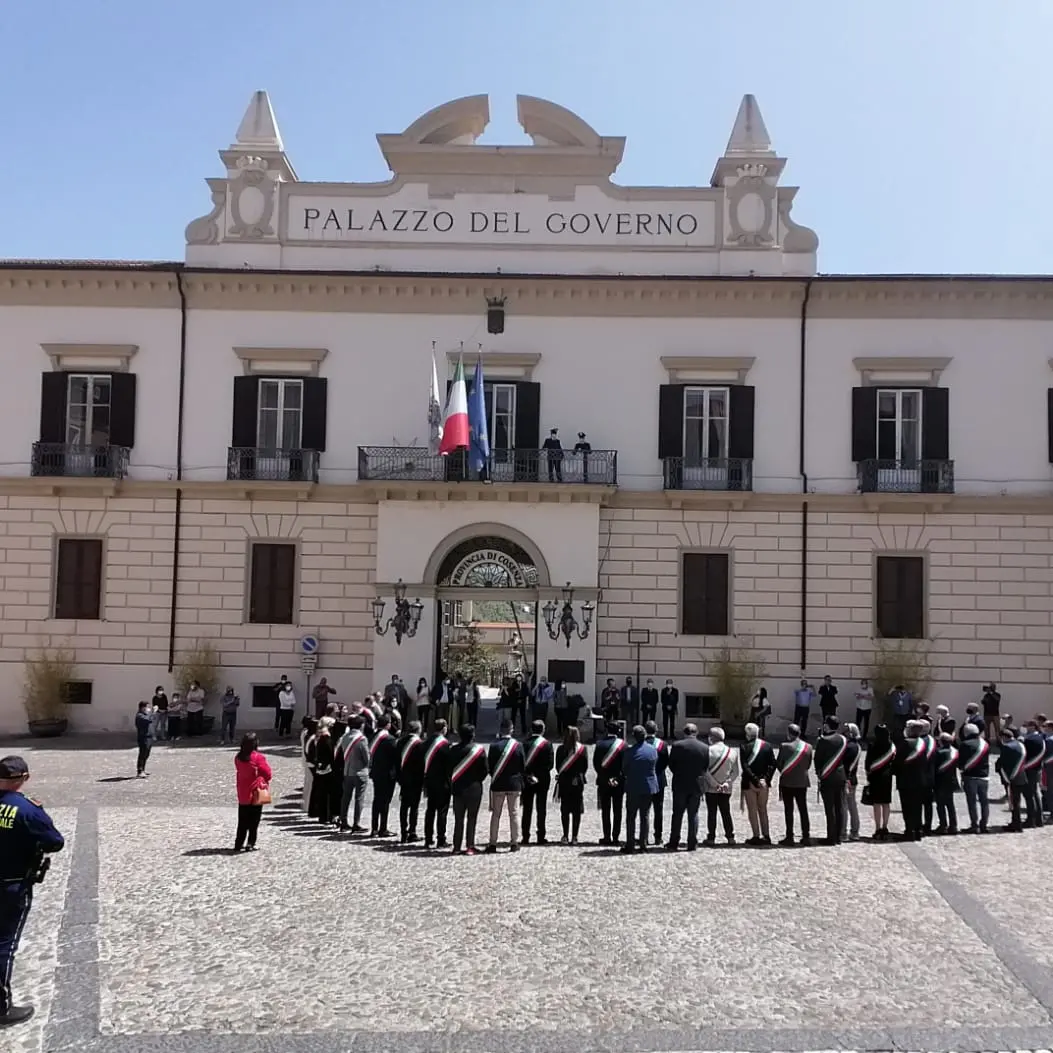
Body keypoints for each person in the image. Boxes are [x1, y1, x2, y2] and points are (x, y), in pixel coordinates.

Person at [0, 755, 65, 1027]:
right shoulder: (27, 809)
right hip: (11, 885)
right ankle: (1, 1008)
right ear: (24, 778)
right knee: (4, 943)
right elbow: (54, 842)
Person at [666, 723, 708, 851]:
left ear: (684, 733)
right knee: (693, 814)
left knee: (677, 814)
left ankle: (674, 842)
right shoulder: (704, 747)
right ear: (696, 733)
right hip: (696, 784)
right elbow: (705, 766)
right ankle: (692, 842)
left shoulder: (677, 745)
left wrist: (679, 773)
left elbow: (671, 764)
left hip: (680, 783)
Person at [448, 724, 487, 855]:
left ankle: (456, 846)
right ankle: (470, 845)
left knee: (458, 819)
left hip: (458, 788)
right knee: (472, 818)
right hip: (474, 787)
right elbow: (484, 771)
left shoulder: (453, 750)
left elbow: (448, 769)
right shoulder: (479, 750)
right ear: (473, 734)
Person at [486, 719, 524, 853]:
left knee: (496, 815)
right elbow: (522, 766)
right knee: (514, 814)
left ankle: (492, 843)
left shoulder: (494, 746)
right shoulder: (518, 745)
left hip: (498, 783)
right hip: (514, 784)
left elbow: (490, 767)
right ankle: (514, 843)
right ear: (511, 729)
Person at [621, 726, 658, 854]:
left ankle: (630, 845)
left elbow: (624, 769)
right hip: (648, 787)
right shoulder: (653, 750)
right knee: (645, 816)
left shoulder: (629, 752)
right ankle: (643, 844)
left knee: (631, 816)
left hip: (633, 786)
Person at [233, 733, 272, 852]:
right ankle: (250, 843)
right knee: (254, 820)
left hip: (243, 792)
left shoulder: (238, 757)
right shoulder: (258, 757)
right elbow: (268, 774)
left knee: (242, 820)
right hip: (256, 791)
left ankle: (238, 843)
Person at [740, 721, 776, 846]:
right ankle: (766, 835)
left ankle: (756, 835)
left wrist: (755, 779)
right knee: (763, 810)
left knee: (752, 810)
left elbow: (745, 766)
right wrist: (765, 779)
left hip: (750, 783)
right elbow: (772, 765)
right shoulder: (767, 746)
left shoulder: (744, 747)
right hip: (763, 784)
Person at [775, 723, 812, 846]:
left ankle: (789, 836)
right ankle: (806, 836)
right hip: (802, 782)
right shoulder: (808, 747)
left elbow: (779, 764)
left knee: (789, 810)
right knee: (803, 810)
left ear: (789, 733)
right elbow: (808, 765)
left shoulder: (784, 746)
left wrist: (786, 772)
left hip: (788, 782)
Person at [814, 717, 848, 846]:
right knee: (839, 806)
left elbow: (817, 760)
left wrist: (819, 773)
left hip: (827, 777)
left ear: (827, 726)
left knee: (830, 808)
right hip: (840, 776)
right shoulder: (843, 740)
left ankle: (831, 837)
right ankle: (839, 836)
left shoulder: (822, 740)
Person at [703, 726, 739, 845]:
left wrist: (714, 784)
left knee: (712, 813)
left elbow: (705, 771)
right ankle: (730, 837)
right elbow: (736, 772)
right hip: (725, 789)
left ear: (711, 738)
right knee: (726, 812)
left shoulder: (707, 751)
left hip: (711, 788)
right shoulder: (732, 752)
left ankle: (711, 837)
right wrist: (726, 783)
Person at [593, 721, 627, 846]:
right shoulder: (623, 745)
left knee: (606, 810)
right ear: (618, 731)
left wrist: (606, 777)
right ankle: (616, 837)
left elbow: (596, 764)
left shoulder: (600, 744)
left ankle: (606, 836)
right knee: (617, 810)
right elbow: (625, 765)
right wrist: (617, 777)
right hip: (618, 781)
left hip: (604, 781)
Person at [521, 720, 554, 845]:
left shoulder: (524, 743)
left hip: (527, 779)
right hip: (542, 780)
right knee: (541, 808)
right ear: (543, 730)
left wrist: (529, 775)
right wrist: (539, 775)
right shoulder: (547, 744)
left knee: (527, 809)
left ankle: (525, 836)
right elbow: (550, 765)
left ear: (531, 729)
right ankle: (541, 836)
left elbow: (522, 763)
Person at [895, 720, 929, 841]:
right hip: (920, 779)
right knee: (918, 806)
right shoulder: (923, 743)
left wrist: (895, 771)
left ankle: (909, 830)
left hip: (906, 780)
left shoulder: (904, 743)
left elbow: (897, 761)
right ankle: (918, 830)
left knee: (907, 807)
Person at [554, 726, 588, 844]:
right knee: (576, 810)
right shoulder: (582, 749)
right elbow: (585, 767)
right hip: (577, 782)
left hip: (564, 782)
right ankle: (575, 836)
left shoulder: (560, 749)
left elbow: (558, 767)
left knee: (565, 809)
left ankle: (565, 835)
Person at [423, 719, 452, 849]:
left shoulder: (425, 743)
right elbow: (449, 766)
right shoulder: (445, 745)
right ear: (444, 728)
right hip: (442, 782)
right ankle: (441, 839)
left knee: (430, 811)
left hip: (429, 781)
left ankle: (428, 838)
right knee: (442, 812)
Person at [337, 716, 369, 833]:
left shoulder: (345, 737)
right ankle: (356, 823)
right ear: (361, 725)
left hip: (347, 771)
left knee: (346, 798)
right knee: (359, 798)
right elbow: (366, 757)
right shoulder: (361, 739)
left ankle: (343, 821)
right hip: (360, 772)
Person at [956, 721, 990, 833]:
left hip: (970, 776)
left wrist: (962, 768)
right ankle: (984, 824)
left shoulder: (965, 744)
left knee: (972, 802)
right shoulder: (985, 744)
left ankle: (974, 825)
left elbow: (961, 762)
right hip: (984, 776)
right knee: (984, 802)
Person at [863, 724, 896, 840]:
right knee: (886, 802)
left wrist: (868, 773)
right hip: (887, 776)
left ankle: (877, 828)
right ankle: (885, 827)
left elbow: (868, 762)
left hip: (876, 776)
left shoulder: (872, 745)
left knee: (877, 803)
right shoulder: (891, 745)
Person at [368, 714, 398, 837]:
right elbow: (395, 758)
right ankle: (383, 828)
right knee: (385, 801)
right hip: (387, 775)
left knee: (376, 800)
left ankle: (374, 827)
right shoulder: (389, 739)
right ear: (388, 724)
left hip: (376, 772)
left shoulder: (373, 736)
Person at [397, 720, 425, 843]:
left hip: (403, 778)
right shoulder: (419, 744)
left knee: (404, 806)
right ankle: (412, 832)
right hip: (416, 780)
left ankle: (403, 832)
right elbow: (422, 764)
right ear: (418, 730)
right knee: (414, 807)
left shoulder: (400, 742)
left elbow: (396, 760)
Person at [996, 727, 1027, 832]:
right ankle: (1016, 822)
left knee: (1014, 803)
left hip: (1012, 778)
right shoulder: (1020, 745)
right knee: (1017, 802)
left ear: (1004, 737)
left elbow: (1002, 763)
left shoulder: (1007, 747)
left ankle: (1016, 825)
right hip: (1021, 776)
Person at [307, 718, 337, 825]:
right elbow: (330, 755)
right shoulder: (326, 738)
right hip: (326, 769)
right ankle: (326, 816)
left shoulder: (319, 738)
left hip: (320, 768)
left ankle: (322, 816)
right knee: (326, 794)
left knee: (321, 792)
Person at [934, 732, 959, 834]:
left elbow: (935, 767)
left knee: (940, 805)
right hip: (951, 781)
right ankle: (953, 826)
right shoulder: (955, 752)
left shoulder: (938, 752)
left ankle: (943, 825)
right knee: (950, 804)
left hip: (940, 781)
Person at [1022, 720, 1046, 828]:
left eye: (1026, 726)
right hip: (1038, 768)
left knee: (1030, 795)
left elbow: (1024, 755)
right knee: (1036, 794)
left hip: (1030, 769)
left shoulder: (1030, 740)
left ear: (1032, 727)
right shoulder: (1041, 738)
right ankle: (1039, 819)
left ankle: (1031, 819)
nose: (1025, 728)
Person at [842, 722, 862, 842]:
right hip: (853, 778)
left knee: (844, 805)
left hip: (846, 777)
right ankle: (855, 831)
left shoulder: (848, 747)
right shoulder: (857, 746)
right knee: (852, 806)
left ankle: (843, 832)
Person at [299, 716, 318, 814]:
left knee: (308, 783)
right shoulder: (309, 736)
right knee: (310, 783)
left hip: (306, 760)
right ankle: (307, 805)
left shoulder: (305, 733)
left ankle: (306, 804)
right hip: (309, 762)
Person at [134, 701, 153, 778]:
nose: (148, 709)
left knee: (146, 754)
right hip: (143, 737)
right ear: (142, 708)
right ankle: (140, 771)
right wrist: (153, 713)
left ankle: (143, 770)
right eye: (147, 707)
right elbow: (148, 720)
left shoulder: (146, 715)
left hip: (149, 737)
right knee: (142, 754)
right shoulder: (140, 716)